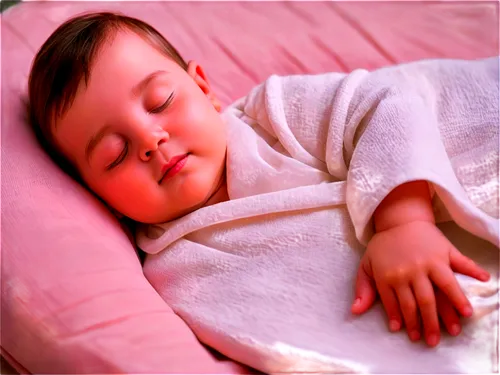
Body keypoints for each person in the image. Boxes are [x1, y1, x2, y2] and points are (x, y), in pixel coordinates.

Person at [27, 11, 496, 360]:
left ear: (204, 88)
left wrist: (402, 221)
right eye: (115, 154)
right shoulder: (180, 274)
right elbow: (282, 340)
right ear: (95, 195)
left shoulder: (271, 116)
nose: (151, 140)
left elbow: (384, 104)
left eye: (161, 101)